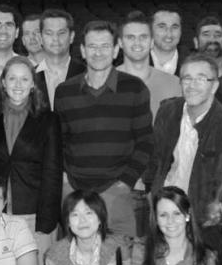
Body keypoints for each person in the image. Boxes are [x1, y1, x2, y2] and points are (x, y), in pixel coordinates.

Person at [54, 20, 153, 241]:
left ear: (116, 49)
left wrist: (125, 183)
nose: (98, 52)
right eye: (92, 46)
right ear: (82, 50)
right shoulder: (65, 91)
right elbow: (59, 141)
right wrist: (65, 180)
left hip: (117, 192)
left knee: (122, 264)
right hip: (75, 192)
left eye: (105, 46)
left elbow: (146, 141)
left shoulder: (135, 88)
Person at [144, 53, 222, 217]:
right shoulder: (167, 111)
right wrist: (151, 190)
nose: (192, 85)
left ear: (214, 86)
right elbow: (155, 157)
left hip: (200, 215)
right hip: (163, 207)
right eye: (187, 78)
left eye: (201, 79)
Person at [0, 56, 62, 246]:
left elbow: (53, 173)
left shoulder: (48, 120)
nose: (18, 84)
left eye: (25, 79)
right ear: (3, 82)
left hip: (34, 214)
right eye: (12, 78)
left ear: (33, 84)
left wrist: (46, 223)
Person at [117, 11, 181, 115]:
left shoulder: (175, 84)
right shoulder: (105, 84)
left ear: (151, 42)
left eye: (143, 37)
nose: (137, 43)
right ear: (120, 42)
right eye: (130, 37)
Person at [34, 8, 87, 106]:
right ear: (40, 38)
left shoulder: (87, 74)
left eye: (61, 33)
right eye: (49, 33)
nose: (55, 39)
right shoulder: (29, 76)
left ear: (71, 37)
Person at [150, 7, 184, 75]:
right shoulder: (134, 61)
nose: (169, 34)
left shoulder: (195, 63)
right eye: (162, 27)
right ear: (150, 30)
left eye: (174, 27)